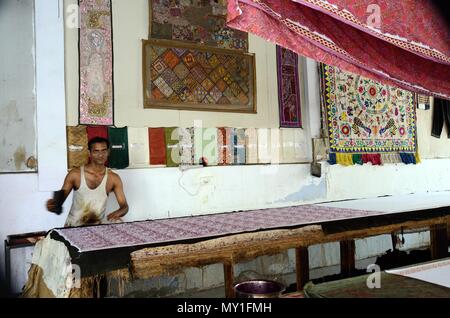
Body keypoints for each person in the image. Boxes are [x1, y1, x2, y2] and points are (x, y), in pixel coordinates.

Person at [47, 136, 129, 227]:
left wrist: (117, 213)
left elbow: (124, 206)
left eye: (103, 150)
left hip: (97, 229)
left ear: (108, 152)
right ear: (89, 153)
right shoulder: (75, 174)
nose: (100, 155)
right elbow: (58, 203)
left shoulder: (113, 178)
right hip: (73, 228)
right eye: (96, 151)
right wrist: (53, 206)